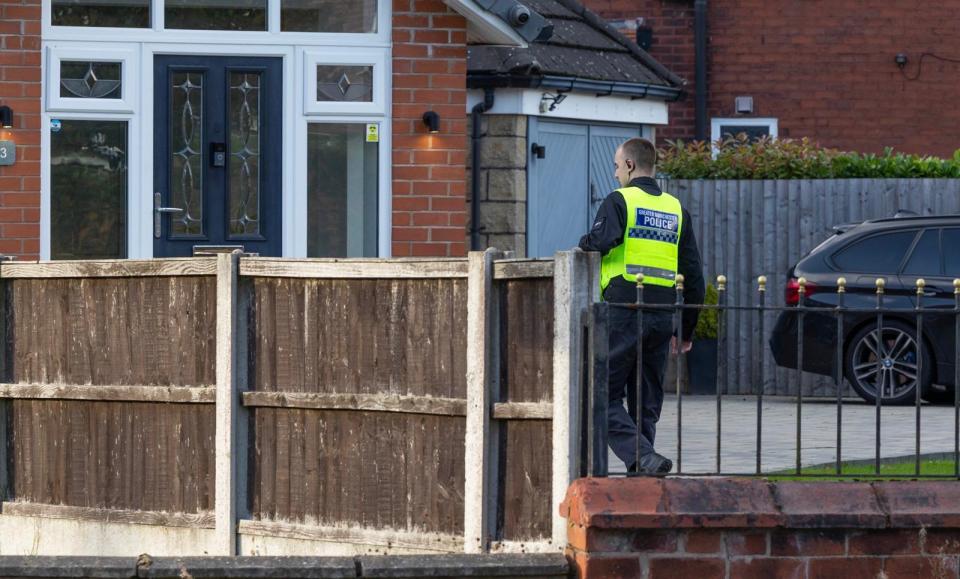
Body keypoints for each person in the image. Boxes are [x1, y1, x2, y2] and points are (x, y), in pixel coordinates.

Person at [579, 137, 705, 475]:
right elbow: (694, 276)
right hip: (663, 317)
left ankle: (641, 456)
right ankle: (643, 477)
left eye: (617, 166)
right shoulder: (676, 209)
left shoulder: (619, 200)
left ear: (631, 166)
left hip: (624, 311)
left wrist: (584, 241)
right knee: (645, 402)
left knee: (600, 395)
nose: (616, 172)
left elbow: (601, 242)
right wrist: (686, 328)